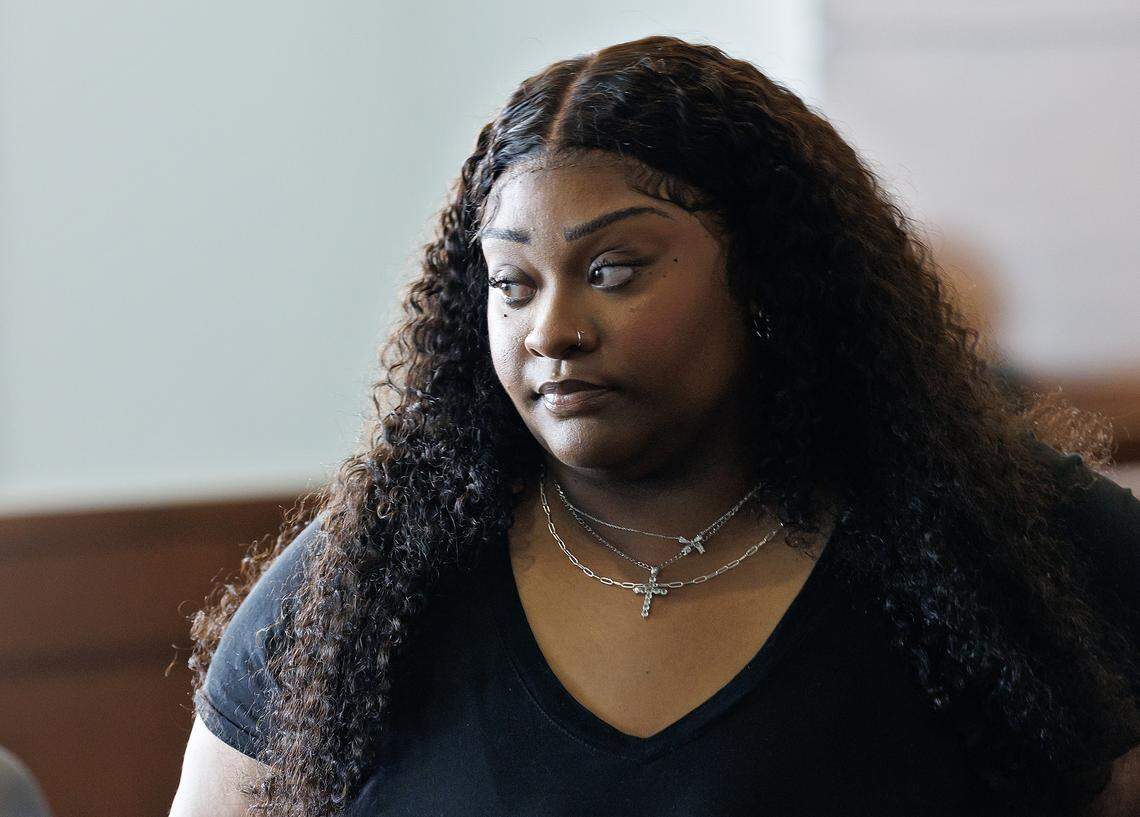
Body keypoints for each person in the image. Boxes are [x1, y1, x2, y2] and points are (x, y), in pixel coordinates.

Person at [168, 35, 1140, 817]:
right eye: (512, 284)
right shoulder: (367, 579)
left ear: (765, 281)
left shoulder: (1021, 546)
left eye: (613, 270)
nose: (552, 329)